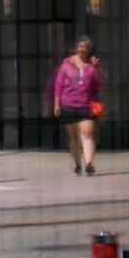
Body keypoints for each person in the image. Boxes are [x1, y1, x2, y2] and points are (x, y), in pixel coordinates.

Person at [51, 36, 106, 176]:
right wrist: (56, 103)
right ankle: (77, 164)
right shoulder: (67, 63)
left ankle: (88, 163)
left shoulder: (93, 63)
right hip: (68, 105)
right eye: (81, 46)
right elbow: (59, 84)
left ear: (89, 49)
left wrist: (96, 68)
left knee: (87, 134)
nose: (83, 49)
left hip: (86, 105)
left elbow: (99, 82)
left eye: (86, 47)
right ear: (77, 47)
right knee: (74, 138)